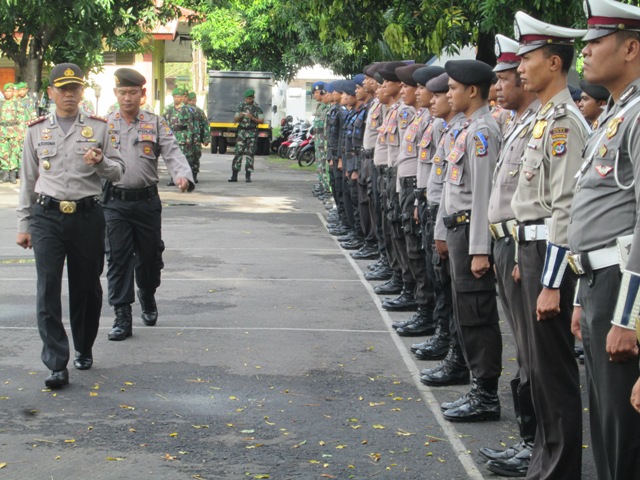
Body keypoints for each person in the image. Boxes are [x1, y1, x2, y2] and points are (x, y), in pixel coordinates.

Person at [511, 11, 589, 478]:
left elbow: (564, 208)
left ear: (555, 63)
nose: (521, 68)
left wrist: (553, 283)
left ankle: (560, 469)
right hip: (533, 250)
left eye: (529, 58)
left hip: (550, 256)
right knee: (538, 370)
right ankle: (545, 461)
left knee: (554, 372)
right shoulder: (543, 118)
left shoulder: (564, 123)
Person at [16, 63, 125, 388]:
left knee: (87, 288)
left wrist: (101, 162)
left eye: (74, 89)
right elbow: (28, 179)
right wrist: (23, 224)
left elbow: (118, 171)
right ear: (51, 93)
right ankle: (56, 363)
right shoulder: (36, 130)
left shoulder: (99, 128)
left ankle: (84, 346)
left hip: (88, 216)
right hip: (46, 216)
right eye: (62, 89)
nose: (68, 94)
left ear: (81, 92)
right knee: (47, 289)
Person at [568, 0, 640, 478]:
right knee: (605, 427)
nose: (585, 54)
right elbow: (591, 213)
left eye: (596, 42)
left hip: (621, 289)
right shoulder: (616, 113)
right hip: (597, 282)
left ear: (631, 47)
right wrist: (578, 296)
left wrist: (629, 317)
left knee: (622, 435)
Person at [481, 34, 540, 478]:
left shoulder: (551, 123)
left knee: (534, 356)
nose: (502, 85)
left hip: (526, 247)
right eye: (501, 78)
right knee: (524, 351)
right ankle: (529, 441)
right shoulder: (519, 122)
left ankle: (537, 446)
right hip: (507, 243)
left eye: (509, 77)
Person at [102, 68, 195, 342]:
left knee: (150, 258)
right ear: (116, 94)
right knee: (117, 259)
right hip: (115, 202)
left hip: (146, 202)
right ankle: (122, 315)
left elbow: (172, 151)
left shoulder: (154, 123)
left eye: (132, 93)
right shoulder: (103, 124)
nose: (127, 98)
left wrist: (182, 175)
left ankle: (148, 293)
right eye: (122, 93)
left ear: (142, 95)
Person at [434, 59, 503, 423]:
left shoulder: (483, 133)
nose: (447, 95)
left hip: (471, 234)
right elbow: (451, 189)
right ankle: (477, 386)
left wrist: (480, 249)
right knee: (466, 314)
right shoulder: (467, 130)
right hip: (457, 230)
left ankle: (486, 394)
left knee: (478, 315)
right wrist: (442, 231)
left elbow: (483, 196)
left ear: (472, 91)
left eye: (453, 89)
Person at [229, 89, 264, 183]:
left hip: (252, 133)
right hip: (242, 132)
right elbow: (235, 120)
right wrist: (240, 116)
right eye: (247, 99)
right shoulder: (241, 106)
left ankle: (248, 176)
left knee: (250, 154)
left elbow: (261, 121)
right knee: (238, 153)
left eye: (250, 98)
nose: (248, 100)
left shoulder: (257, 107)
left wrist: (252, 118)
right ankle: (234, 175)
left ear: (253, 98)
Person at [164, 87, 196, 186]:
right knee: (172, 157)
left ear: (182, 98)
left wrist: (189, 138)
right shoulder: (168, 109)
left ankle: (187, 178)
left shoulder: (186, 109)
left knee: (184, 158)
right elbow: (163, 123)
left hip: (183, 135)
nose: (177, 99)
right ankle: (173, 178)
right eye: (175, 97)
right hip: (172, 135)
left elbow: (190, 125)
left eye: (179, 97)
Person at [187, 91, 209, 183]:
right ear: (187, 101)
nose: (193, 102)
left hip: (196, 138)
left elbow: (205, 125)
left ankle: (194, 175)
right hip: (186, 138)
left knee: (196, 156)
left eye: (194, 100)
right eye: (191, 100)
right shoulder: (184, 110)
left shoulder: (199, 111)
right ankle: (186, 175)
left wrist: (206, 138)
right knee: (186, 156)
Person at [0, 83, 20, 183]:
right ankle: (5, 175)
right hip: (2, 131)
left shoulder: (17, 103)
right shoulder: (1, 103)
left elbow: (21, 120)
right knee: (3, 153)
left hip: (14, 131)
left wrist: (21, 133)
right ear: (4, 93)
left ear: (13, 92)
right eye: (6, 91)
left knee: (14, 153)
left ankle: (12, 175)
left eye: (10, 91)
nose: (8, 93)